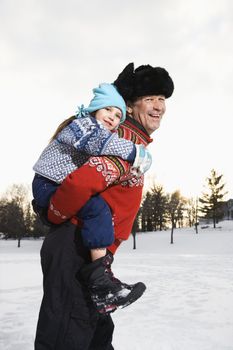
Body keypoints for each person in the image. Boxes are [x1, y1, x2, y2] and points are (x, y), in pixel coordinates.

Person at [34, 63, 174, 350]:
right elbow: (80, 182)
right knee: (67, 337)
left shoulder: (130, 141)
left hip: (92, 255)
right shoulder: (122, 141)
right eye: (150, 99)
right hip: (74, 248)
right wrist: (55, 215)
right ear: (132, 107)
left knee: (97, 337)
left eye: (162, 99)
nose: (158, 106)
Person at [32, 82, 150, 314]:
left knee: (98, 208)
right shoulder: (83, 126)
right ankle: (100, 280)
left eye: (118, 116)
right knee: (97, 208)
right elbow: (100, 143)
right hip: (48, 184)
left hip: (56, 185)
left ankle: (103, 281)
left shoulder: (96, 130)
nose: (113, 118)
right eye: (108, 110)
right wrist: (137, 152)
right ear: (95, 108)